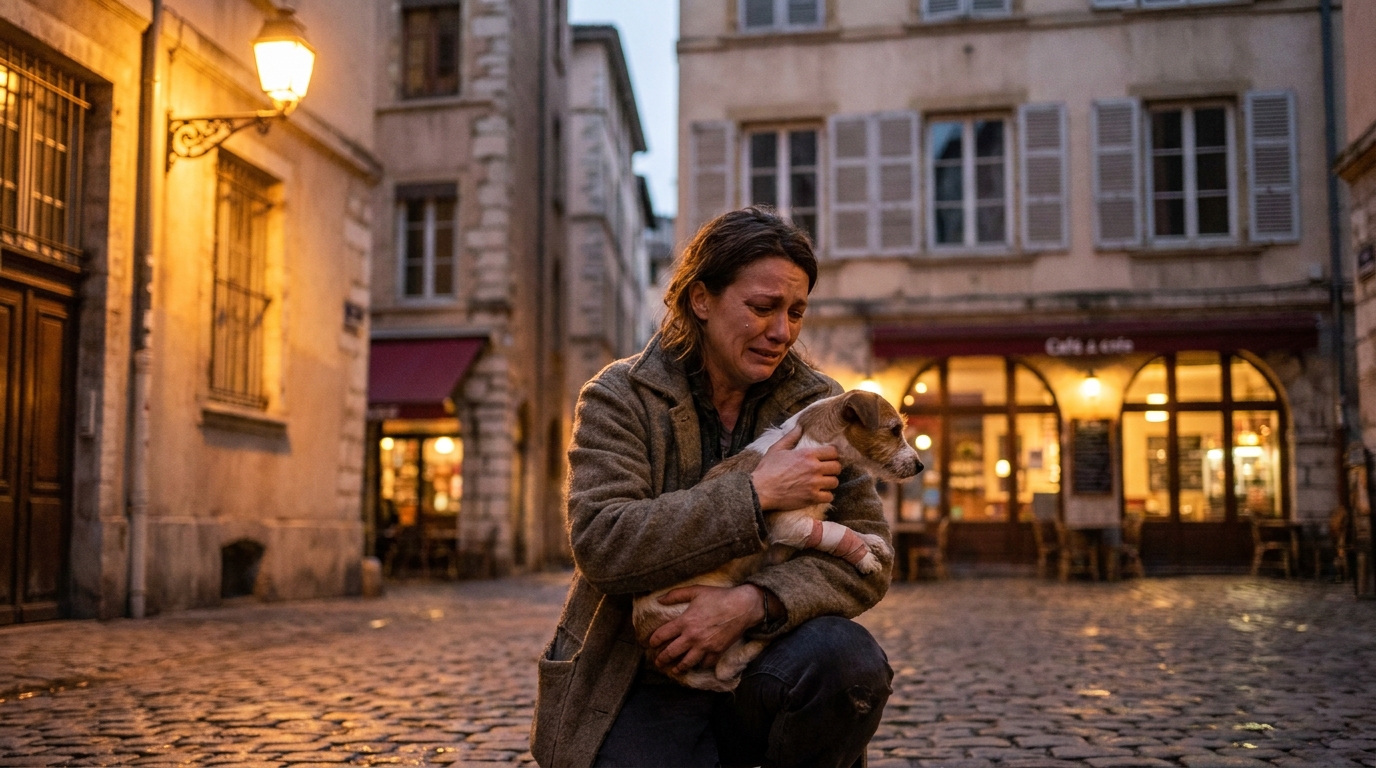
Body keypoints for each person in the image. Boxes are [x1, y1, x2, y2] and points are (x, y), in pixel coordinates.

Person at [531, 207, 894, 768]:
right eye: (762, 307)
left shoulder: (823, 405)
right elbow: (603, 541)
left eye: (796, 312)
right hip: (641, 672)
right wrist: (754, 495)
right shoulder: (619, 396)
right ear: (701, 300)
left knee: (847, 662)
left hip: (769, 659)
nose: (782, 332)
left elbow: (870, 552)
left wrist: (753, 603)